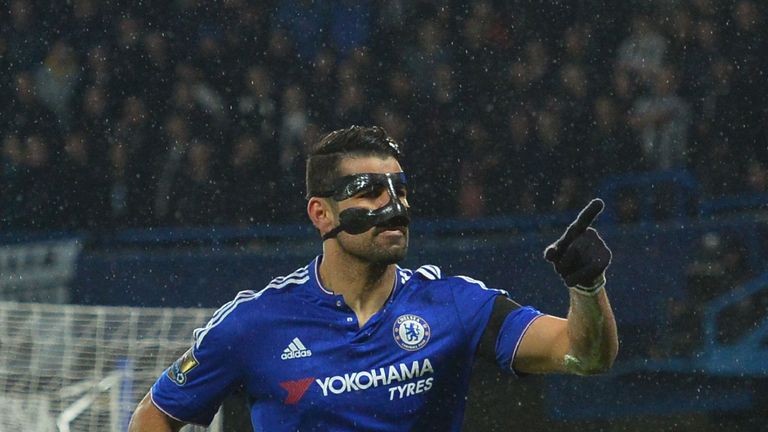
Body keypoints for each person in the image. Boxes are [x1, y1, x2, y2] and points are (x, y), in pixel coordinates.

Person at [128, 125, 618, 431]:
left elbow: (585, 355)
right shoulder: (254, 322)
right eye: (367, 190)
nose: (393, 205)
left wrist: (587, 287)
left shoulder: (455, 305)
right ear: (321, 214)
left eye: (399, 189)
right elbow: (156, 414)